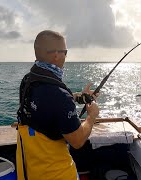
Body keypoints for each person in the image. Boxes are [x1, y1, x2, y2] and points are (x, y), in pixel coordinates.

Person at [16, 30, 99, 180]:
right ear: (56, 55)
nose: (66, 56)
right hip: (56, 174)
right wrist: (91, 117)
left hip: (30, 170)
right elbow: (78, 141)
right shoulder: (58, 96)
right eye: (65, 52)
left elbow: (48, 104)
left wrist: (80, 98)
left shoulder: (28, 80)